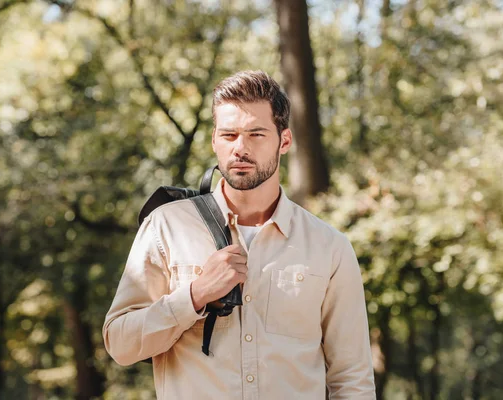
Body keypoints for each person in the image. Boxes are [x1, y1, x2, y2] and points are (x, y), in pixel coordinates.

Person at [103, 70, 376, 399]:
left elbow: (352, 378)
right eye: (229, 135)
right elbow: (120, 345)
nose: (240, 148)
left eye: (256, 134)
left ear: (284, 141)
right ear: (214, 140)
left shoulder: (329, 248)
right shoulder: (166, 227)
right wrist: (194, 295)